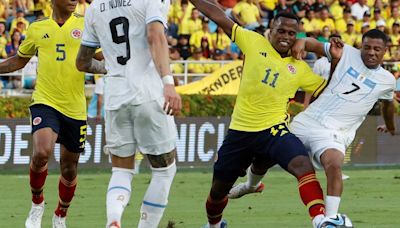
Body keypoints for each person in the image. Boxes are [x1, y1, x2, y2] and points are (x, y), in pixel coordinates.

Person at [189, 1, 343, 227]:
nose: (286, 36)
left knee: (302, 165)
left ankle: (321, 221)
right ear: (270, 29)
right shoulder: (252, 41)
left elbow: (330, 91)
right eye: (281, 30)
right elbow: (219, 16)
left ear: (297, 36)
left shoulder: (300, 68)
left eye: (292, 33)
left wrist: (336, 61)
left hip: (274, 130)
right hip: (240, 132)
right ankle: (214, 225)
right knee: (217, 191)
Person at [231, 29, 396, 226]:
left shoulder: (387, 80)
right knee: (265, 157)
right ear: (361, 45)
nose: (371, 52)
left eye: (377, 49)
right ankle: (251, 185)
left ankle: (330, 219)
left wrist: (390, 127)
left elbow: (388, 105)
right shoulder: (346, 52)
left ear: (386, 50)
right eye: (367, 47)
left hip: (335, 132)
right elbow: (311, 44)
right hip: (308, 120)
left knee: (334, 165)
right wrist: (302, 43)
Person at [75, 0, 182, 227]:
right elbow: (156, 36)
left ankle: (113, 221)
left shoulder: (94, 8)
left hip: (115, 98)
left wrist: (110, 68)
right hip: (149, 94)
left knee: (121, 170)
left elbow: (82, 61)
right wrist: (168, 82)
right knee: (164, 170)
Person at [0, 0, 105, 227]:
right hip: (45, 101)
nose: (73, 1)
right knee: (41, 152)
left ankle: (60, 215)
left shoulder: (86, 25)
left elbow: (102, 57)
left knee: (69, 168)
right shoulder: (37, 28)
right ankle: (37, 204)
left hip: (75, 108)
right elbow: (19, 60)